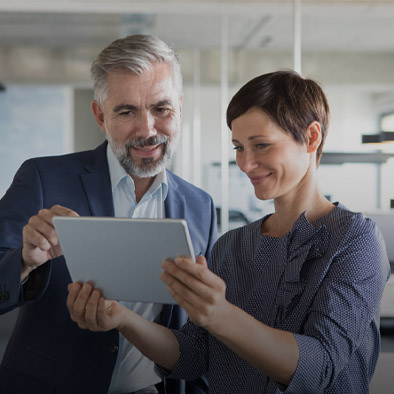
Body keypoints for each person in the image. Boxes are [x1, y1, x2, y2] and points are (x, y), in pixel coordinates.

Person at [67, 70, 391, 394]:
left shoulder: (355, 240)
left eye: (261, 145)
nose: (246, 164)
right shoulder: (232, 246)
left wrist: (221, 316)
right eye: (239, 147)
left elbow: (319, 368)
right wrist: (122, 318)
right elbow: (192, 356)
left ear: (311, 137)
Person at [0, 35, 217, 394]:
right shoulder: (43, 178)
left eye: (161, 109)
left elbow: (193, 332)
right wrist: (24, 262)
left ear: (179, 106)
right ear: (100, 115)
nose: (148, 130)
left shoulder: (200, 206)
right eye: (127, 111)